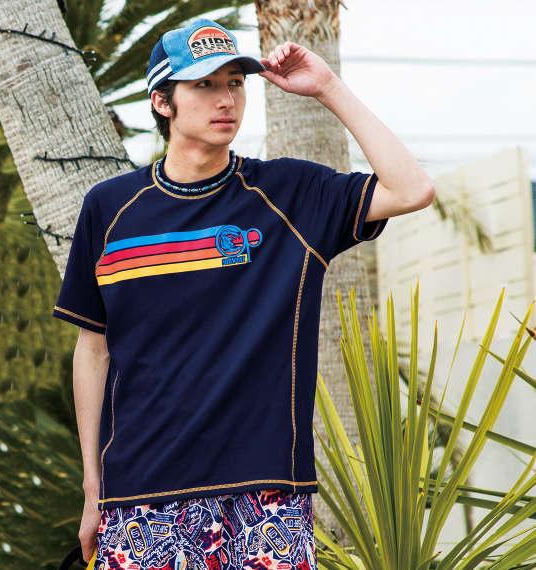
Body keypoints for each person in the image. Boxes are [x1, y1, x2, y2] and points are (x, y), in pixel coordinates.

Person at [52, 16, 435, 570]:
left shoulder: (289, 194)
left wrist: (328, 87)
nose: (225, 99)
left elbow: (412, 188)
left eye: (235, 82)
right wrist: (94, 489)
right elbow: (93, 350)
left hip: (266, 498)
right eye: (204, 85)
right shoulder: (110, 209)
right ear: (162, 102)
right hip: (141, 496)